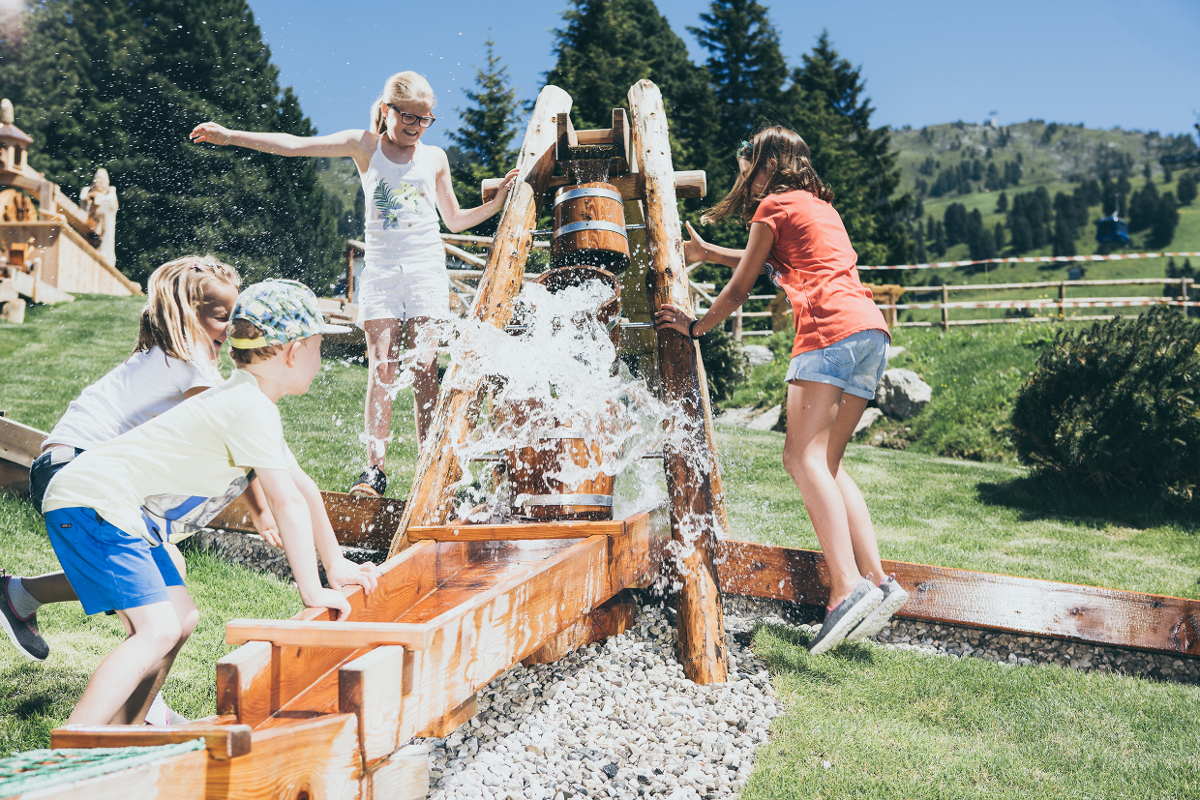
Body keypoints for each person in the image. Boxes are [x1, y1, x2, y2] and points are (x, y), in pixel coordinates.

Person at [30, 279, 379, 726]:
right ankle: (73, 749)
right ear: (293, 351)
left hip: (112, 507)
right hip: (93, 502)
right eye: (316, 347)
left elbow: (304, 487)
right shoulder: (249, 407)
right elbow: (287, 503)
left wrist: (336, 564)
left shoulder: (246, 400)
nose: (318, 359)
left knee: (181, 618)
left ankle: (123, 736)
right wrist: (311, 588)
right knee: (157, 629)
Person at [189, 71, 520, 499]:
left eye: (425, 120)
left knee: (424, 370)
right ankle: (374, 471)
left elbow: (453, 219)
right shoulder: (365, 146)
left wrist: (494, 203)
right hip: (381, 272)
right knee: (382, 367)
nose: (416, 128)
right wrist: (230, 135)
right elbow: (293, 145)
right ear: (388, 110)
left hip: (424, 271)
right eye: (409, 119)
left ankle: (433, 468)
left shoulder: (435, 157)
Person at [654, 126, 910, 655]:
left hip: (828, 333)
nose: (742, 171)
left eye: (746, 161)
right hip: (869, 331)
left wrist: (696, 326)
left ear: (767, 162)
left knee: (801, 458)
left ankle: (845, 588)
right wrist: (708, 252)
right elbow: (776, 264)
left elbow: (744, 286)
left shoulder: (770, 206)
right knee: (830, 464)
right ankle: (878, 581)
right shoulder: (817, 207)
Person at [0, 255, 280, 723]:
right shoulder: (189, 359)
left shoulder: (178, 356)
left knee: (175, 602)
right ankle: (133, 719)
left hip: (84, 472)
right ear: (190, 314)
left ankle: (21, 597)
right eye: (222, 317)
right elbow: (231, 436)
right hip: (80, 472)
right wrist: (264, 511)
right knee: (154, 619)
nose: (231, 329)